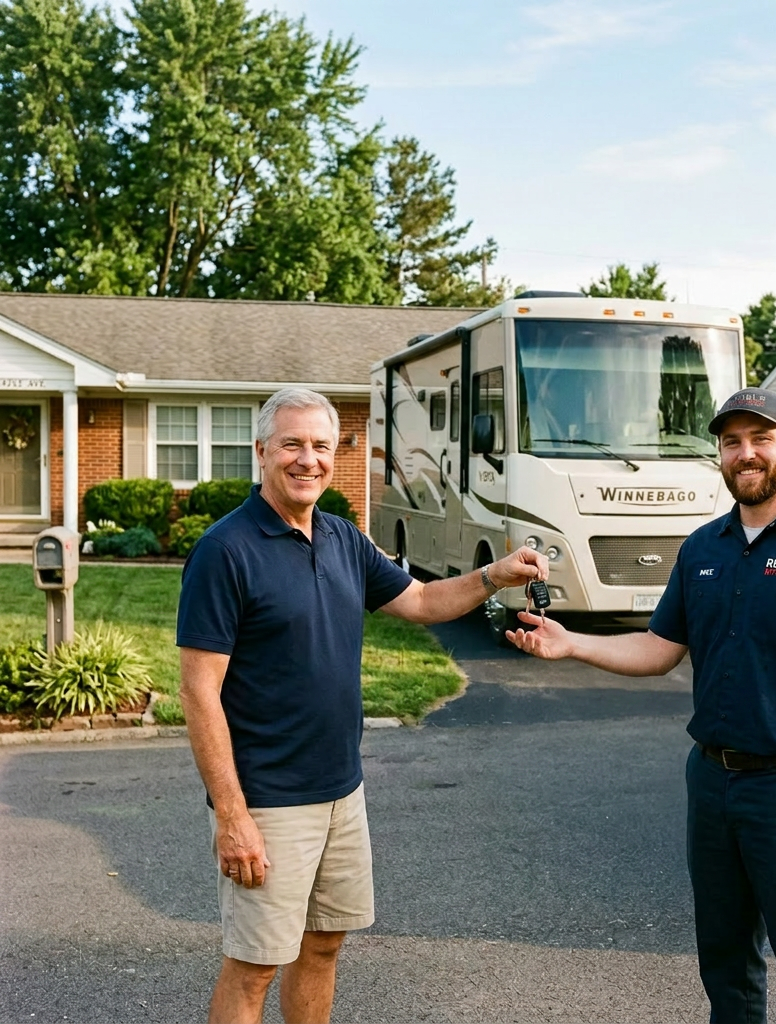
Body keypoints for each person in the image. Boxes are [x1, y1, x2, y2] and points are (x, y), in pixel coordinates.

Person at [507, 387, 776, 1024]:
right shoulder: (703, 548)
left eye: (761, 439)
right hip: (712, 783)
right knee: (726, 965)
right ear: (719, 455)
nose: (747, 454)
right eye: (732, 442)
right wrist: (572, 643)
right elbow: (659, 648)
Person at [177, 387, 547, 1024]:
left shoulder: (343, 538)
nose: (308, 459)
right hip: (268, 799)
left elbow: (423, 603)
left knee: (323, 944)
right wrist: (233, 815)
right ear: (261, 451)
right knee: (256, 963)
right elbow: (198, 690)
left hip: (341, 792)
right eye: (292, 444)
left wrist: (494, 576)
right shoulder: (225, 551)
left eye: (321, 446)